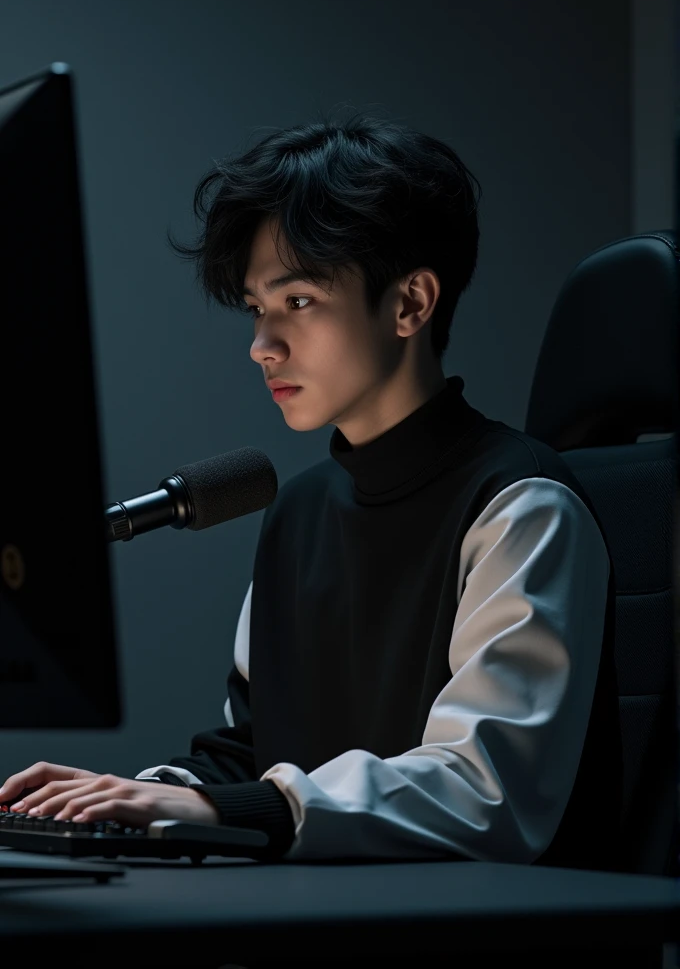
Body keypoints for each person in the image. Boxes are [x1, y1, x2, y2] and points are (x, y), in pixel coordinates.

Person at [0, 113, 623, 870]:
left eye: (296, 302)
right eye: (257, 310)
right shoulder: (297, 510)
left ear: (410, 304)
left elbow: (483, 793)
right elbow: (247, 753)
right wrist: (117, 801)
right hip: (325, 925)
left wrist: (217, 807)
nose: (262, 346)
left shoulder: (521, 505)